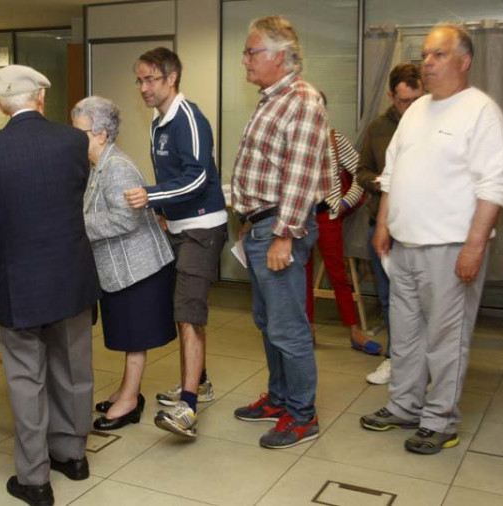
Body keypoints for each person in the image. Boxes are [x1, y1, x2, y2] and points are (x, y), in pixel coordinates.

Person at [360, 24, 503, 455]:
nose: (427, 62)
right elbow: (392, 175)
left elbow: (494, 188)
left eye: (439, 55)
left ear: (463, 61)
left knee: (447, 340)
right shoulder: (417, 111)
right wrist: (385, 225)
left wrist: (475, 246)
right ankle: (405, 405)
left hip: (451, 248)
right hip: (404, 247)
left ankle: (440, 419)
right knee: (405, 337)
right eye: (425, 54)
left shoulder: (480, 112)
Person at [0, 65, 100, 506]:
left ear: (1, 104)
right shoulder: (74, 142)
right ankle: (73, 455)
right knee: (73, 370)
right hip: (71, 277)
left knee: (26, 379)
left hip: (17, 283)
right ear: (41, 98)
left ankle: (35, 480)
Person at [230, 16, 332, 449]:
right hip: (260, 225)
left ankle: (302, 415)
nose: (245, 59)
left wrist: (285, 234)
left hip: (280, 226)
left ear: (278, 56)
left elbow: (301, 175)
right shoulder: (271, 99)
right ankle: (279, 398)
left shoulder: (302, 99)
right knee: (267, 321)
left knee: (288, 327)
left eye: (251, 52)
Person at [124, 47, 228, 439]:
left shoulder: (189, 118)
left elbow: (198, 178)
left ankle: (187, 406)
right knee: (185, 307)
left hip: (204, 225)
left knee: (188, 311)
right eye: (139, 80)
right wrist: (166, 211)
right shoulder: (158, 121)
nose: (143, 87)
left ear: (172, 79)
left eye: (150, 79)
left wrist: (152, 196)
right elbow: (172, 175)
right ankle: (200, 382)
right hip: (180, 226)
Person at [71, 96, 176, 431]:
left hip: (139, 268)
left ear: (101, 133)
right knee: (126, 335)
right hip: (121, 269)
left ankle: (130, 401)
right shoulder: (99, 164)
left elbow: (124, 221)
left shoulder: (117, 168)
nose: (75, 139)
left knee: (134, 337)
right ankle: (125, 391)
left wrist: (75, 227)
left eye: (81, 133)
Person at [355, 63, 424, 385]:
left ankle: (421, 365)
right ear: (391, 96)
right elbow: (362, 171)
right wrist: (383, 183)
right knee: (389, 298)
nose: (409, 107)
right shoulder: (378, 128)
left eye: (415, 99)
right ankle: (394, 360)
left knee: (422, 301)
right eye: (402, 101)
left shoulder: (432, 124)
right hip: (381, 225)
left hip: (422, 229)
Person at [304, 92, 376, 353]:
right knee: (301, 276)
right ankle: (307, 329)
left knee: (338, 276)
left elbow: (361, 174)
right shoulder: (295, 140)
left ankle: (354, 331)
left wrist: (344, 203)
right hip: (300, 218)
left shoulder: (336, 140)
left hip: (326, 217)